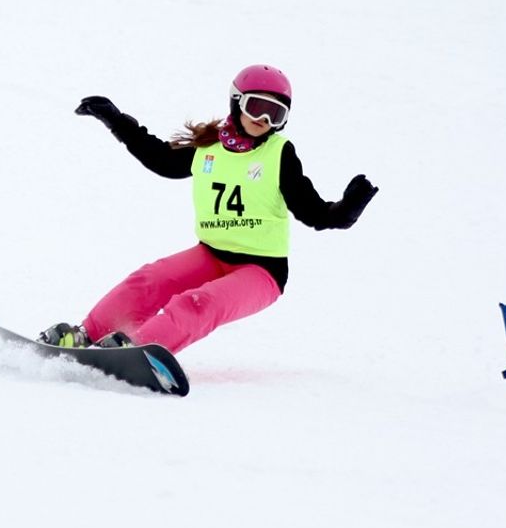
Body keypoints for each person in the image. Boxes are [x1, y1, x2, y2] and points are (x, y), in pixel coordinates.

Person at [38, 64, 378, 353]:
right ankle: (84, 335)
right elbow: (160, 159)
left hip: (261, 272)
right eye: (256, 106)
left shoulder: (278, 154)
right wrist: (117, 121)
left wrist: (348, 209)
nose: (262, 118)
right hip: (212, 255)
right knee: (150, 279)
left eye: (274, 112)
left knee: (199, 303)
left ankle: (135, 347)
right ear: (236, 103)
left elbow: (313, 213)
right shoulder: (209, 147)